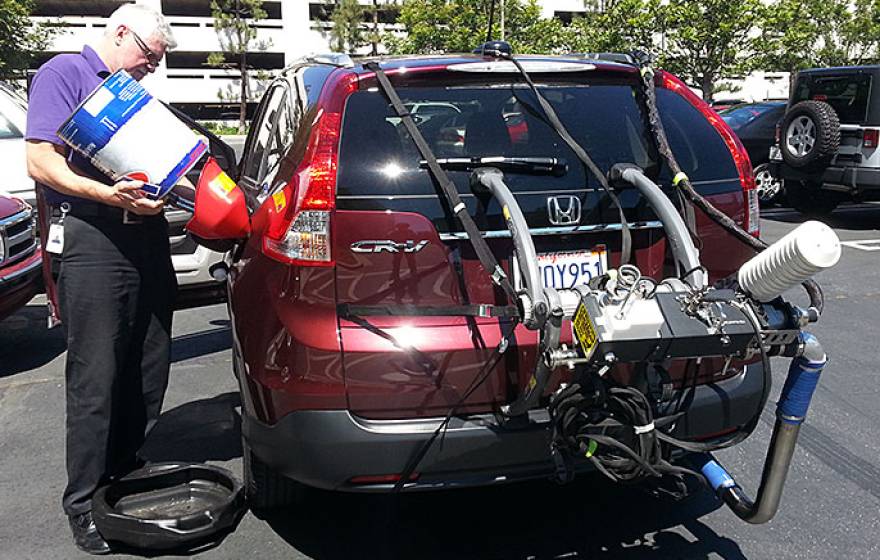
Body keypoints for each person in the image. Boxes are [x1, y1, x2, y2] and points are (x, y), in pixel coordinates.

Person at [25, 5, 178, 555]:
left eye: (157, 63)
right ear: (120, 33)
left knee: (149, 360)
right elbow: (40, 162)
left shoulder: (129, 90)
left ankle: (123, 469)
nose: (151, 69)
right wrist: (105, 195)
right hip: (92, 238)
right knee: (96, 375)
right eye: (149, 57)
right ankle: (84, 502)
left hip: (144, 234)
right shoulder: (64, 73)